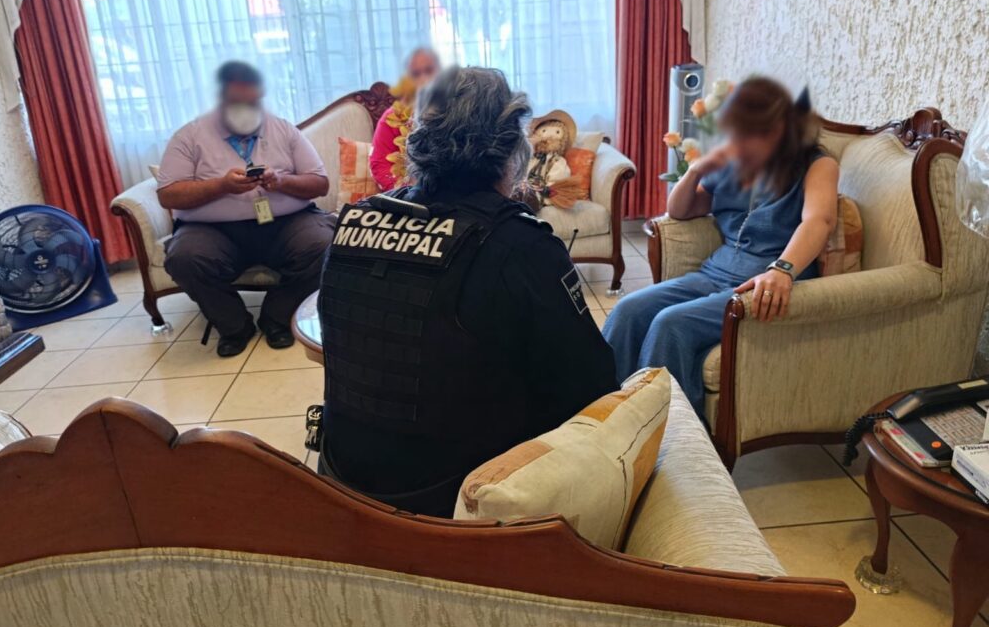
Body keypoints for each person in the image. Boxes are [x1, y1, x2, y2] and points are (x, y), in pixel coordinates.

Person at [318, 66, 617, 516]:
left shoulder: (352, 225)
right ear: (510, 148)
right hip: (458, 507)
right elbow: (592, 388)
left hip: (345, 489)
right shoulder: (522, 246)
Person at [603, 77, 839, 418]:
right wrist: (696, 169)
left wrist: (783, 269)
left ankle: (665, 433)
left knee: (671, 324)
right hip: (714, 274)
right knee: (629, 310)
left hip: (763, 284)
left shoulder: (817, 164)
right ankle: (602, 414)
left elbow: (819, 220)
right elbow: (680, 210)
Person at [157, 61, 336, 357]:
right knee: (185, 258)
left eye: (253, 102)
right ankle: (235, 327)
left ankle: (277, 318)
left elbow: (320, 184)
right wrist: (221, 186)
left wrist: (282, 182)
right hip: (212, 230)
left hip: (287, 223)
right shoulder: (189, 136)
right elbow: (168, 195)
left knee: (325, 245)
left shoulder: (283, 129)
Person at [369, 47, 441, 191]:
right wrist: (409, 191)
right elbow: (380, 164)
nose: (423, 78)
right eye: (416, 74)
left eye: (429, 71)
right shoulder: (393, 117)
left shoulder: (458, 109)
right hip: (409, 193)